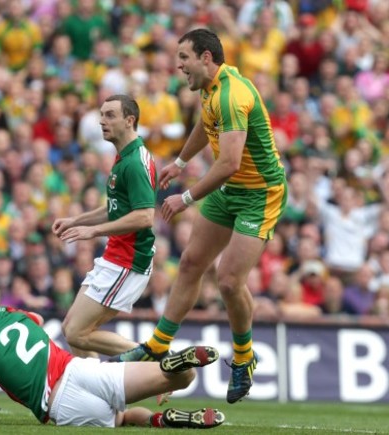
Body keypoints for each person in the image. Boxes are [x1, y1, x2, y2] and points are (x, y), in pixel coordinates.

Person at [112, 29, 287, 405]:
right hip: (233, 189)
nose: (178, 65)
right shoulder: (211, 91)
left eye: (184, 57)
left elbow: (228, 163)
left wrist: (186, 198)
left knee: (227, 281)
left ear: (206, 57)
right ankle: (158, 346)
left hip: (260, 195)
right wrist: (180, 161)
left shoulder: (230, 95)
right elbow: (204, 128)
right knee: (191, 262)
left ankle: (244, 358)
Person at [0, 272, 225, 429]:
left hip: (61, 403)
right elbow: (37, 321)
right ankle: (171, 367)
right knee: (181, 376)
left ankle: (162, 420)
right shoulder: (12, 313)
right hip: (81, 368)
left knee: (121, 419)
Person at [52, 95, 159, 358]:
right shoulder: (123, 156)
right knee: (72, 331)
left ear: (129, 120)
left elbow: (145, 217)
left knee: (77, 332)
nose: (101, 121)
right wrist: (76, 220)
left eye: (110, 115)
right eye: (101, 114)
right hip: (114, 256)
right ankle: (98, 395)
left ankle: (152, 358)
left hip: (129, 261)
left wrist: (93, 231)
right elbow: (115, 209)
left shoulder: (135, 163)